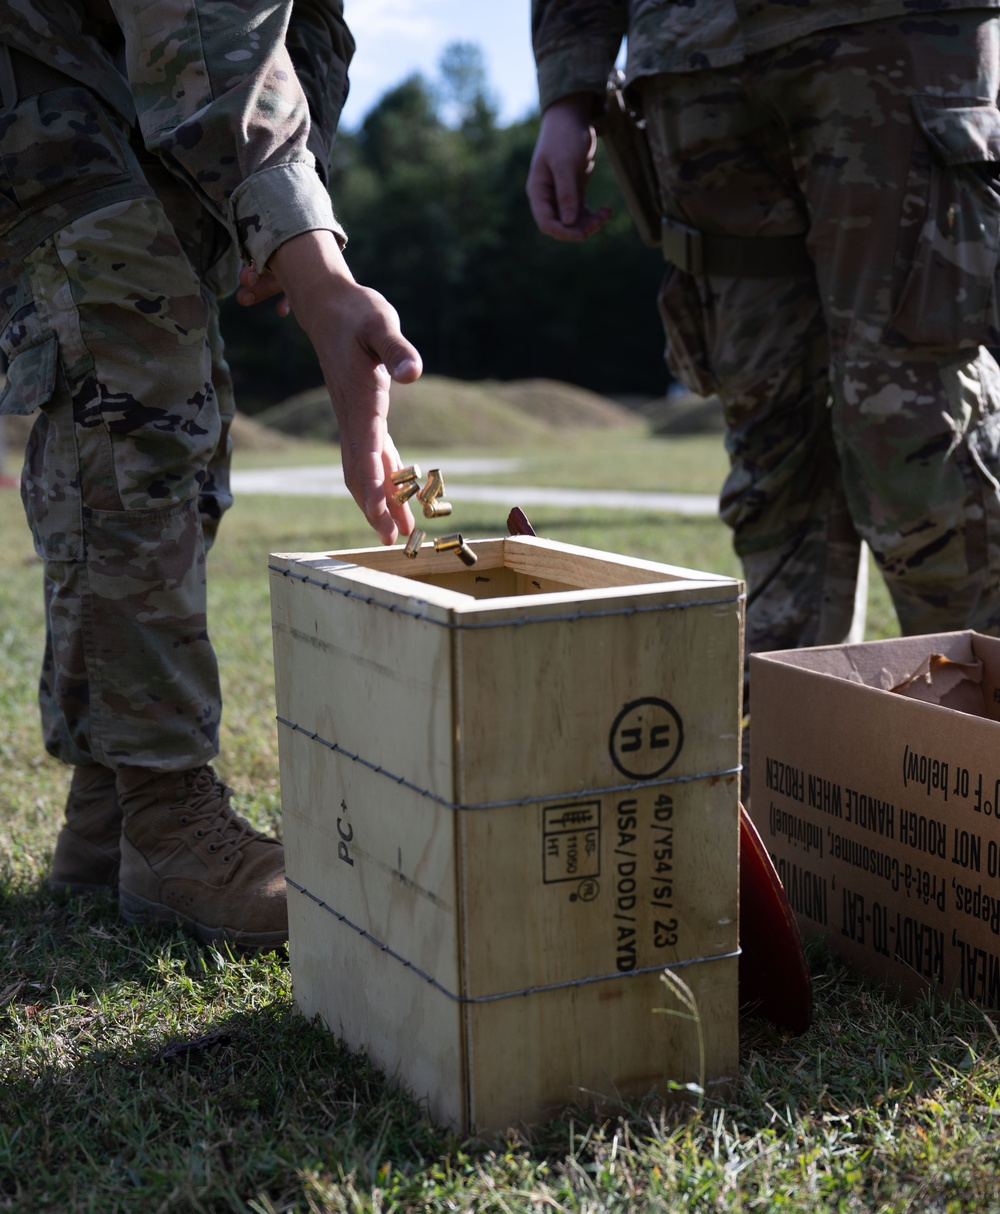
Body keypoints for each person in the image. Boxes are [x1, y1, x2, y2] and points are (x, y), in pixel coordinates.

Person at [0, 1, 420, 947]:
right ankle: (164, 822)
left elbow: (297, 37)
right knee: (136, 368)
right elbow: (201, 29)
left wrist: (265, 223)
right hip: (46, 79)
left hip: (97, 78)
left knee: (154, 402)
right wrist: (316, 275)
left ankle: (109, 818)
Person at [527, 2, 1000, 694]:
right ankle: (796, 764)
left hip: (887, 30)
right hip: (691, 61)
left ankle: (980, 736)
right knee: (769, 455)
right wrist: (568, 87)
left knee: (918, 438)